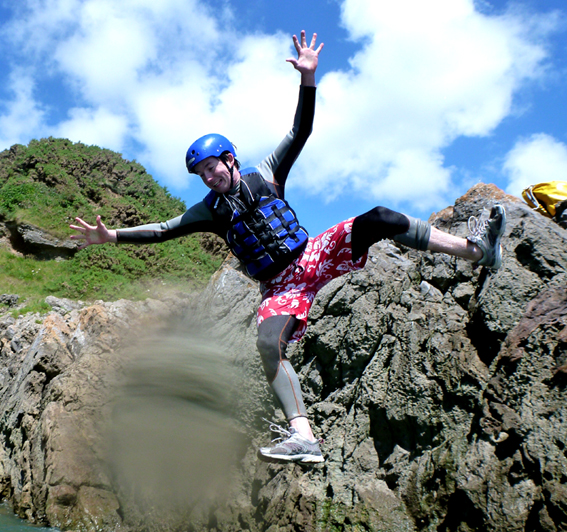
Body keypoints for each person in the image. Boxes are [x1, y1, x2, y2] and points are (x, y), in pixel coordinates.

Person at [70, 30, 506, 464]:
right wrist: (111, 236)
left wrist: (308, 78)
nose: (208, 177)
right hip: (279, 286)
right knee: (265, 342)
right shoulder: (209, 211)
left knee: (381, 218)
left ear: (229, 160)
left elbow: (301, 129)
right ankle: (303, 437)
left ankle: (475, 250)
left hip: (312, 255)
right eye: (200, 173)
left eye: (212, 167)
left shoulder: (267, 175)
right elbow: (162, 230)